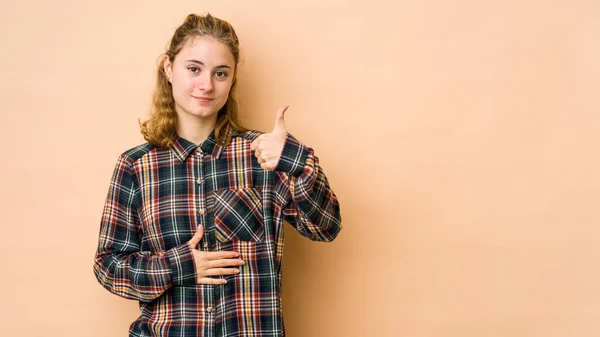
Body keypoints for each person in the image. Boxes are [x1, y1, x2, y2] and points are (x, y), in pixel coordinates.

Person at [93, 13, 342, 337]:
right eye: (193, 68)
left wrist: (295, 160)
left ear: (232, 80)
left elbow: (326, 228)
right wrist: (181, 265)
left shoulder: (263, 156)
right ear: (169, 68)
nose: (206, 84)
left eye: (220, 73)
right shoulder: (135, 166)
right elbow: (108, 266)